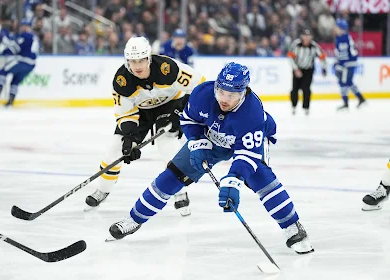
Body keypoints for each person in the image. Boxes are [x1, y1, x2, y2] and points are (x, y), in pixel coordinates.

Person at [107, 62, 314, 254]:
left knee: (261, 180)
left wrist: (233, 180)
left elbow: (247, 155)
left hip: (244, 143)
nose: (224, 99)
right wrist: (196, 142)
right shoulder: (203, 93)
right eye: (221, 91)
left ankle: (292, 226)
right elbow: (188, 120)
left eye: (232, 95)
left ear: (243, 93)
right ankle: (133, 219)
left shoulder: (252, 114)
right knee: (171, 176)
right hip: (211, 139)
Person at [85, 36, 205, 217]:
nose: (137, 65)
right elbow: (125, 113)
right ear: (127, 61)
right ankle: (102, 189)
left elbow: (201, 86)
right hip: (140, 113)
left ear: (149, 58)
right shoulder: (122, 81)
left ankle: (180, 191)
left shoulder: (168, 68)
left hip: (171, 106)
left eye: (141, 60)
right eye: (133, 61)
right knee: (115, 149)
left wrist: (181, 111)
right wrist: (129, 139)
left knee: (168, 147)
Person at [0, 19, 39, 107]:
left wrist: (4, 46)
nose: (22, 27)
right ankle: (11, 100)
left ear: (27, 27)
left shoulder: (25, 35)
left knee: (3, 71)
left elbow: (15, 48)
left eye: (24, 26)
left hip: (23, 61)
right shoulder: (34, 36)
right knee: (15, 80)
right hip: (31, 65)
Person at [287, 29, 327, 116]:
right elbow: (290, 56)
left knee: (306, 89)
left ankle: (306, 107)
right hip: (297, 68)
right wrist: (295, 69)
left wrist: (324, 68)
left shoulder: (314, 46)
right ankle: (294, 106)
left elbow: (322, 56)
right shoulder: (296, 44)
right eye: (305, 36)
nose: (306, 38)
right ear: (302, 36)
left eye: (308, 36)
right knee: (295, 89)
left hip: (308, 70)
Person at [334, 19, 366, 110]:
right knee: (348, 82)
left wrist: (342, 63)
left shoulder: (346, 38)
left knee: (343, 82)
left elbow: (352, 52)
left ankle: (346, 103)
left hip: (347, 64)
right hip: (344, 64)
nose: (335, 28)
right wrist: (337, 62)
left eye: (337, 27)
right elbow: (338, 53)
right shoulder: (338, 38)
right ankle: (360, 98)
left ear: (341, 28)